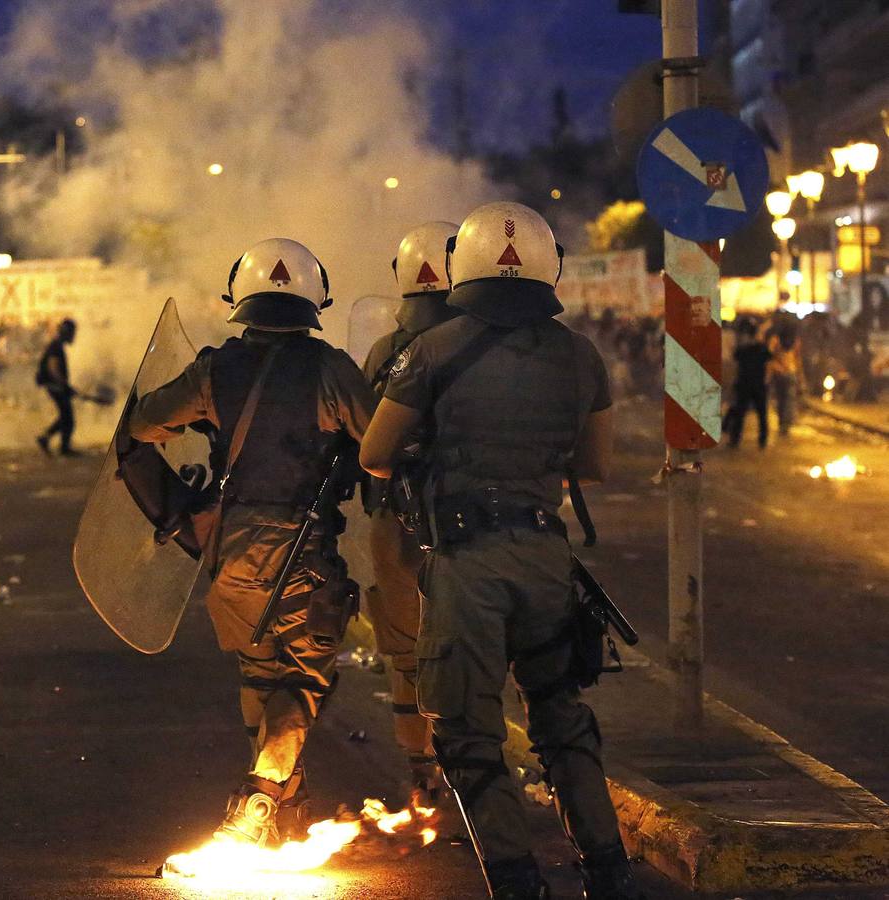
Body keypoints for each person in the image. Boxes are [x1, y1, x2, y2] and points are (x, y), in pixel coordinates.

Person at [360, 202, 639, 899]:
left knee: (468, 728)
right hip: (547, 558)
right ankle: (609, 872)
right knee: (561, 717)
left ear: (465, 268)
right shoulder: (582, 355)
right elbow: (596, 466)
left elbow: (375, 455)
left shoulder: (431, 349)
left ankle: (517, 881)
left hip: (466, 563)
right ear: (549, 268)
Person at [129, 238, 376, 846]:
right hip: (302, 543)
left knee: (259, 673)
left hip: (233, 547)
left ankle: (287, 813)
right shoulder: (330, 368)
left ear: (240, 298)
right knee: (305, 678)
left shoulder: (217, 369)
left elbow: (142, 424)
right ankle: (260, 800)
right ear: (314, 300)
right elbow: (381, 445)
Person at [360, 220, 462, 804]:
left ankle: (420, 762)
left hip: (395, 518)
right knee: (474, 640)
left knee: (404, 644)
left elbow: (368, 444)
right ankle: (471, 760)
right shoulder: (489, 341)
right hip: (471, 519)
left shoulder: (387, 350)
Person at [723, 318, 770, 449]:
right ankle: (761, 440)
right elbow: (769, 358)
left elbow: (736, 358)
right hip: (755, 385)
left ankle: (736, 439)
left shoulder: (745, 349)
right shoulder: (761, 348)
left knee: (743, 413)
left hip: (746, 384)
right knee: (759, 413)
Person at [36, 319, 80, 457]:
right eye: (72, 332)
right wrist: (64, 385)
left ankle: (45, 438)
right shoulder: (55, 347)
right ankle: (64, 448)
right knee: (68, 417)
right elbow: (53, 367)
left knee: (65, 416)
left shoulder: (57, 345)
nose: (74, 336)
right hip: (55, 386)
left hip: (56, 385)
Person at [766, 315, 803, 436]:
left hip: (778, 373)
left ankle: (782, 422)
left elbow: (769, 357)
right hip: (791, 373)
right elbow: (798, 360)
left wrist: (769, 373)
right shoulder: (795, 341)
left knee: (781, 399)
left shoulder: (775, 340)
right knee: (789, 399)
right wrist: (801, 376)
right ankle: (786, 424)